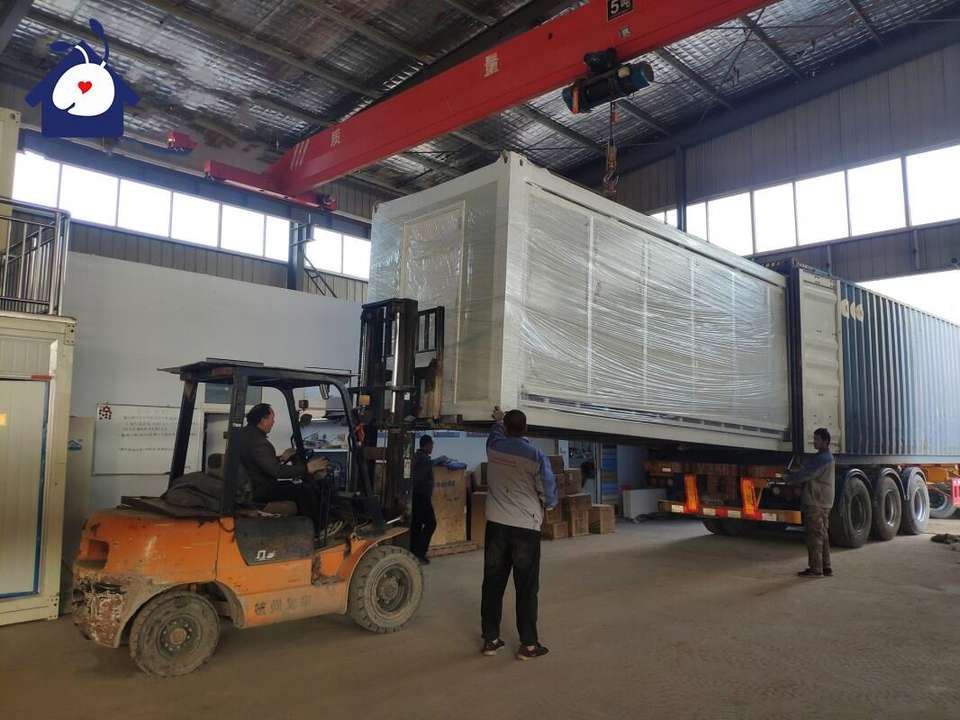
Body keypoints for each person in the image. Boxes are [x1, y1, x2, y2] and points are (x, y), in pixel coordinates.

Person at [481, 407, 557, 661]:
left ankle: (491, 640)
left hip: (496, 526)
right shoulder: (536, 455)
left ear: (506, 428)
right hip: (525, 527)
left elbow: (495, 432)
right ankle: (528, 645)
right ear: (525, 429)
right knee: (526, 587)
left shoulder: (494, 447)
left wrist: (497, 419)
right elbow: (548, 490)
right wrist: (549, 505)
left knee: (492, 583)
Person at [234, 403, 328, 535]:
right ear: (263, 420)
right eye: (272, 418)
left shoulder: (244, 435)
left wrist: (281, 458)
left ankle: (303, 528)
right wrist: (307, 468)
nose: (273, 422)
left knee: (292, 486)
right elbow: (276, 471)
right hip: (259, 490)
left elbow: (256, 462)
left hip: (250, 485)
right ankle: (319, 530)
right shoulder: (259, 442)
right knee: (304, 491)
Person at [786, 427, 836, 578]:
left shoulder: (822, 459)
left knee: (814, 535)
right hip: (823, 501)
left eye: (817, 439)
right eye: (814, 439)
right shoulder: (826, 456)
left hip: (816, 501)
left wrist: (788, 478)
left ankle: (816, 569)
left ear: (825, 441)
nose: (814, 442)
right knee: (822, 534)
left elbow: (806, 474)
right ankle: (826, 567)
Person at [410, 435, 449, 565]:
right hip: (422, 497)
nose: (432, 447)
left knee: (416, 525)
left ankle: (414, 552)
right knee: (431, 523)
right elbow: (420, 478)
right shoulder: (423, 459)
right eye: (431, 445)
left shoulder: (418, 457)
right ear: (427, 445)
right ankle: (420, 553)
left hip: (416, 496)